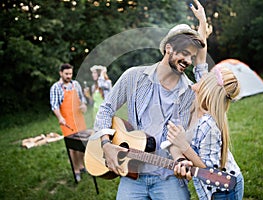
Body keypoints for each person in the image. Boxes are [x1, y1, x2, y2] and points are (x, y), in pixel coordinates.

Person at [92, 0, 210, 199]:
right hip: (133, 175)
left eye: (192, 57)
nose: (188, 61)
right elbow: (106, 109)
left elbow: (205, 85)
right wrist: (106, 144)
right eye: (184, 53)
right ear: (169, 48)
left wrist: (203, 27)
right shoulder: (134, 77)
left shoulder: (190, 91)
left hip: (169, 176)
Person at [167, 66, 244, 199]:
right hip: (218, 189)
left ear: (208, 94)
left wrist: (184, 146)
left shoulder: (208, 125)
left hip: (223, 190)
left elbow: (211, 173)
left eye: (200, 86)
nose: (194, 87)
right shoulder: (210, 114)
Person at [50, 63, 87, 182]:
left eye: (70, 73)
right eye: (66, 74)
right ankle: (76, 170)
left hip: (79, 119)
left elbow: (82, 100)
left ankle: (82, 166)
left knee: (81, 144)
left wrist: (83, 106)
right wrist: (60, 117)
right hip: (67, 121)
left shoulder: (76, 84)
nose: (69, 76)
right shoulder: (56, 87)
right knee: (72, 147)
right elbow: (54, 105)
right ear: (61, 73)